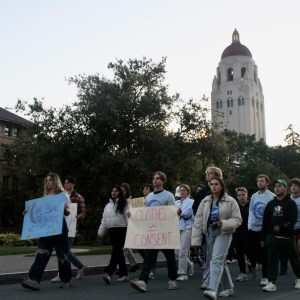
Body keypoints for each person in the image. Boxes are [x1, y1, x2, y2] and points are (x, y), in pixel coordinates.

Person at [192, 176, 242, 300]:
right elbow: (198, 221)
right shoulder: (205, 201)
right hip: (209, 233)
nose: (213, 186)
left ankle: (212, 289)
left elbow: (237, 220)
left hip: (223, 233)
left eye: (216, 184)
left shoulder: (230, 201)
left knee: (216, 260)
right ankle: (229, 288)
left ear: (221, 186)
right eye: (211, 184)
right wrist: (196, 241)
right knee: (220, 261)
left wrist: (223, 223)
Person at [21, 173, 72, 290]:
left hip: (59, 227)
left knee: (62, 254)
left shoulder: (62, 195)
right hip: (46, 228)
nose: (47, 182)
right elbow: (38, 213)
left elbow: (68, 211)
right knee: (41, 252)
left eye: (50, 180)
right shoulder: (44, 197)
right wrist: (27, 212)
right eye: (46, 180)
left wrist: (64, 208)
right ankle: (33, 279)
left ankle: (66, 280)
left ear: (55, 182)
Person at [130, 171, 178, 292]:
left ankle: (173, 279)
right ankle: (142, 281)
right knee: (149, 257)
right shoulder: (149, 196)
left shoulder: (168, 196)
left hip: (165, 231)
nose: (155, 180)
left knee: (170, 257)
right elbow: (145, 213)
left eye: (158, 178)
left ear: (163, 181)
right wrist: (134, 215)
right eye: (154, 178)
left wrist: (177, 212)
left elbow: (173, 212)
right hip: (152, 231)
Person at [261, 179, 300, 292]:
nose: (277, 188)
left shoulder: (290, 203)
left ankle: (298, 278)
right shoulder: (271, 204)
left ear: (285, 188)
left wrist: (282, 227)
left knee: (294, 259)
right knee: (272, 260)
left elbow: (292, 220)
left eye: (280, 186)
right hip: (272, 237)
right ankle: (271, 282)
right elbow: (265, 222)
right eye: (275, 186)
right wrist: (263, 238)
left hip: (287, 237)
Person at [51, 175, 87, 283]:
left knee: (64, 251)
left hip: (71, 227)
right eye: (65, 183)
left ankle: (62, 274)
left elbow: (83, 212)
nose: (66, 184)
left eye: (68, 183)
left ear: (73, 184)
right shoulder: (60, 196)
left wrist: (78, 216)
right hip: (60, 226)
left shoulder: (78, 197)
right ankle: (80, 266)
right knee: (63, 250)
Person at [192, 166, 223, 290]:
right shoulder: (202, 192)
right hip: (208, 228)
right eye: (207, 174)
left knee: (218, 256)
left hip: (221, 228)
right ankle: (208, 279)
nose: (207, 176)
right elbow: (196, 210)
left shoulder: (224, 193)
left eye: (210, 174)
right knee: (209, 255)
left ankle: (215, 278)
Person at [98, 185, 129, 284]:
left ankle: (109, 272)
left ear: (120, 192)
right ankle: (124, 274)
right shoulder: (108, 206)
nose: (114, 192)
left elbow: (129, 216)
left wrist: (131, 229)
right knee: (118, 252)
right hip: (111, 230)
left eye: (116, 191)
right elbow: (104, 219)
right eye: (112, 191)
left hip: (122, 229)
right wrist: (101, 232)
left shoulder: (125, 203)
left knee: (116, 250)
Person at [248, 174, 275, 286]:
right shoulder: (254, 196)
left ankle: (265, 276)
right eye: (258, 181)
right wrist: (249, 225)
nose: (260, 183)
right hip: (253, 228)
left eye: (262, 181)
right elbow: (250, 210)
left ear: (267, 183)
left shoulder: (272, 196)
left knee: (264, 253)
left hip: (265, 229)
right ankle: (257, 264)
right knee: (254, 251)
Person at [233, 187, 256, 282]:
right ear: (237, 197)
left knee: (250, 251)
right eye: (239, 195)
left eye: (243, 195)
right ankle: (242, 273)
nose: (241, 197)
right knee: (239, 254)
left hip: (249, 232)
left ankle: (254, 265)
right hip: (237, 232)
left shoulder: (251, 205)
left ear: (247, 195)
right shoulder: (235, 206)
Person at [175, 184, 195, 281]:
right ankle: (189, 264)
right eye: (180, 190)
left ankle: (182, 273)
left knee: (183, 251)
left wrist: (179, 213)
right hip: (177, 228)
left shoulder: (191, 202)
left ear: (188, 191)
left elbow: (187, 213)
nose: (182, 192)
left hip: (187, 228)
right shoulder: (176, 202)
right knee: (176, 252)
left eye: (184, 190)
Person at [121, 182, 140, 273]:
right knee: (126, 246)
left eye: (124, 190)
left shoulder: (133, 200)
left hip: (131, 226)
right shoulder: (120, 200)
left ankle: (122, 267)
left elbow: (138, 213)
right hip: (122, 225)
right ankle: (134, 264)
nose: (122, 192)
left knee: (124, 246)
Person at [290, 178, 300, 258]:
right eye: (292, 185)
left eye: (296, 185)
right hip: (291, 228)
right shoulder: (287, 199)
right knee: (293, 251)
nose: (293, 187)